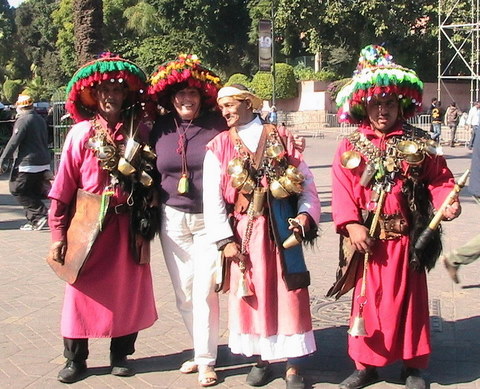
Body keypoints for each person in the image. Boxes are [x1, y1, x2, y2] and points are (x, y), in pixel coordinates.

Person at [331, 45, 461, 389]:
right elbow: (342, 188)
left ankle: (413, 365)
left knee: (410, 304)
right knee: (367, 304)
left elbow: (440, 178)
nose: (382, 110)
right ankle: (366, 365)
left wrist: (448, 202)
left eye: (389, 103)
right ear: (364, 105)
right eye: (376, 104)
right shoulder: (351, 146)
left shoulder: (419, 141)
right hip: (369, 244)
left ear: (400, 105)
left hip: (407, 241)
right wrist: (352, 224)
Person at [47, 54, 158, 383]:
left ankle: (120, 353)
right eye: (104, 90)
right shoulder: (81, 134)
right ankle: (75, 358)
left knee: (127, 291)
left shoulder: (140, 132)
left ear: (125, 96)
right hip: (87, 224)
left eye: (118, 90)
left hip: (127, 225)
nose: (111, 95)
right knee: (79, 290)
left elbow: (154, 175)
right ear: (94, 96)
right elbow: (62, 187)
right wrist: (57, 235)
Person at [203, 84, 321, 389]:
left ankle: (294, 365)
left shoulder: (281, 136)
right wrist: (225, 241)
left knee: (289, 290)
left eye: (231, 105)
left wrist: (306, 216)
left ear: (249, 104)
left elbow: (306, 181)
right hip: (246, 231)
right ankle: (262, 357)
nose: (226, 112)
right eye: (222, 107)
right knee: (253, 292)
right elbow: (213, 199)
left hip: (283, 226)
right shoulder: (218, 146)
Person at [147, 54, 225, 387]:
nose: (186, 99)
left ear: (202, 95)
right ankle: (199, 349)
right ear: (169, 97)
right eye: (179, 94)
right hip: (171, 219)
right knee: (184, 292)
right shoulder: (159, 129)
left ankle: (207, 361)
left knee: (205, 289)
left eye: (192, 93)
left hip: (210, 220)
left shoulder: (217, 124)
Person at [0, 94, 51, 231]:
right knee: (31, 191)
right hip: (43, 161)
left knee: (17, 189)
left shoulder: (24, 120)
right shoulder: (39, 119)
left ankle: (40, 213)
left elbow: (13, 142)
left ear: (20, 107)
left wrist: (3, 160)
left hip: (28, 163)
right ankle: (34, 220)